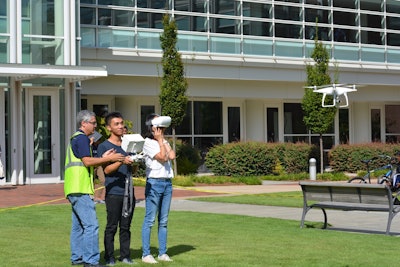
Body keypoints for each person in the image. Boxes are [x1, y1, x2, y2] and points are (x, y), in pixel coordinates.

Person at [64, 110, 125, 267]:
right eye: (93, 122)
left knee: (78, 226)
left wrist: (103, 157)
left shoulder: (77, 138)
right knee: (91, 225)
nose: (95, 125)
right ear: (83, 123)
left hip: (73, 187)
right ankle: (91, 261)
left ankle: (77, 257)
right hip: (80, 187)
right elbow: (87, 162)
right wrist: (108, 158)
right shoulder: (82, 138)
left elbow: (87, 159)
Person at [97, 112, 136, 265]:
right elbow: (105, 171)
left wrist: (134, 162)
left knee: (126, 226)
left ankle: (125, 256)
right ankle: (109, 257)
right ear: (109, 128)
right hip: (113, 192)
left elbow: (132, 170)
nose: (121, 126)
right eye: (117, 124)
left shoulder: (128, 145)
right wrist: (121, 161)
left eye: (122, 123)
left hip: (128, 192)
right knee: (112, 226)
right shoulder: (104, 146)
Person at [141, 113, 176, 264]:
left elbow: (172, 156)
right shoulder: (148, 142)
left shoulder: (163, 140)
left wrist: (162, 141)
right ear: (152, 127)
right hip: (154, 182)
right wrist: (161, 141)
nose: (161, 129)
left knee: (164, 221)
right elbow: (162, 157)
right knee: (150, 220)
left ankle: (162, 252)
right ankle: (146, 254)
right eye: (158, 126)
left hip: (167, 182)